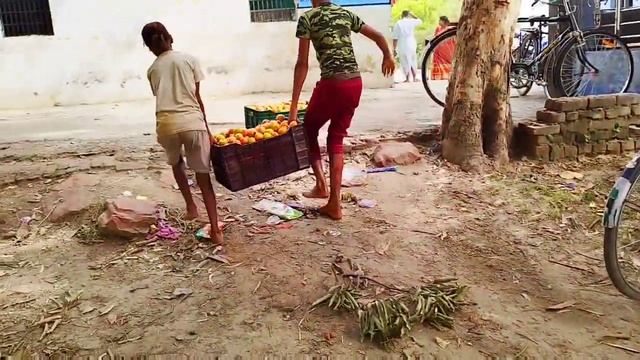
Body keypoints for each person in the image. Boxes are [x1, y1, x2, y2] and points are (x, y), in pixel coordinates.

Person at [288, 1, 394, 220]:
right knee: (336, 137)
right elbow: (379, 36)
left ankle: (321, 185)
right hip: (354, 84)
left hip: (332, 85)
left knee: (308, 129)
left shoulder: (308, 18)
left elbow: (302, 64)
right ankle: (334, 203)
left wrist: (293, 108)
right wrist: (388, 56)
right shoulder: (345, 13)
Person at [141, 22, 223, 244]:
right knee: (203, 177)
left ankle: (191, 207)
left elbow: (161, 95)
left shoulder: (152, 70)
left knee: (177, 163)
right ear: (170, 38)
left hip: (166, 124)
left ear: (148, 47)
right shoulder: (189, 60)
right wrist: (207, 128)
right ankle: (216, 230)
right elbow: (197, 97)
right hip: (192, 121)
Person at [392, 10, 422, 82]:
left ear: (401, 15)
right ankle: (414, 77)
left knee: (404, 60)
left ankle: (407, 77)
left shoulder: (398, 23)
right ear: (408, 15)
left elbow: (395, 37)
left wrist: (394, 48)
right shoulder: (411, 21)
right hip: (411, 42)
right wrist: (413, 15)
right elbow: (420, 21)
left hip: (402, 43)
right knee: (412, 59)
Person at [431, 16, 455, 81]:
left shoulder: (450, 29)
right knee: (437, 62)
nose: (439, 22)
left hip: (448, 48)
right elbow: (435, 37)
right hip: (438, 49)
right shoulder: (438, 29)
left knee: (449, 61)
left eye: (440, 20)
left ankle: (447, 75)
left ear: (444, 21)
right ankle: (438, 76)